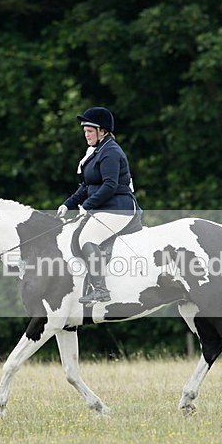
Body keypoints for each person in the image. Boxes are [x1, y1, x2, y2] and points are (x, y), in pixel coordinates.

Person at [57, 107, 141, 305]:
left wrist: (87, 205)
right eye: (85, 131)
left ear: (102, 131)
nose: (86, 135)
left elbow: (110, 185)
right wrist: (68, 204)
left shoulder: (110, 152)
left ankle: (101, 291)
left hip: (119, 208)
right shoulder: (96, 152)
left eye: (89, 131)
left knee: (86, 239)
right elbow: (87, 186)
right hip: (106, 207)